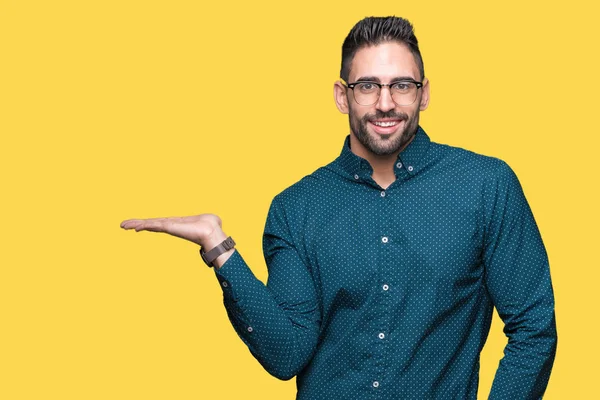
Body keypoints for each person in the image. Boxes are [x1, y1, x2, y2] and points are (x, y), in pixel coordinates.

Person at [121, 16, 557, 399]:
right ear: (341, 96)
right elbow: (287, 353)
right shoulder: (296, 208)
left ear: (423, 94)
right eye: (367, 86)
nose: (385, 103)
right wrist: (219, 249)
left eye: (401, 85)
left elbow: (534, 329)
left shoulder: (485, 185)